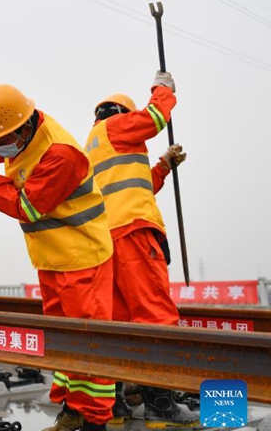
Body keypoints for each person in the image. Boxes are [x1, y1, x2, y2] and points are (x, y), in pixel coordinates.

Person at [0, 84, 115, 431]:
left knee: (86, 344)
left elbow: (28, 207)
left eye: (2, 139)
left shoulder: (60, 154)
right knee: (62, 342)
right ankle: (73, 410)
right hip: (52, 258)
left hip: (83, 259)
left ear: (25, 128)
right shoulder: (19, 131)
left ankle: (95, 421)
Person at [85, 73, 197, 427]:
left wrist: (163, 165)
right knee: (155, 316)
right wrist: (164, 88)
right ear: (120, 113)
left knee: (117, 321)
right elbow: (156, 117)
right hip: (134, 234)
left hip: (106, 242)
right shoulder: (118, 125)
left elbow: (137, 185)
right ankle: (160, 406)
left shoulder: (95, 143)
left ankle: (115, 405)